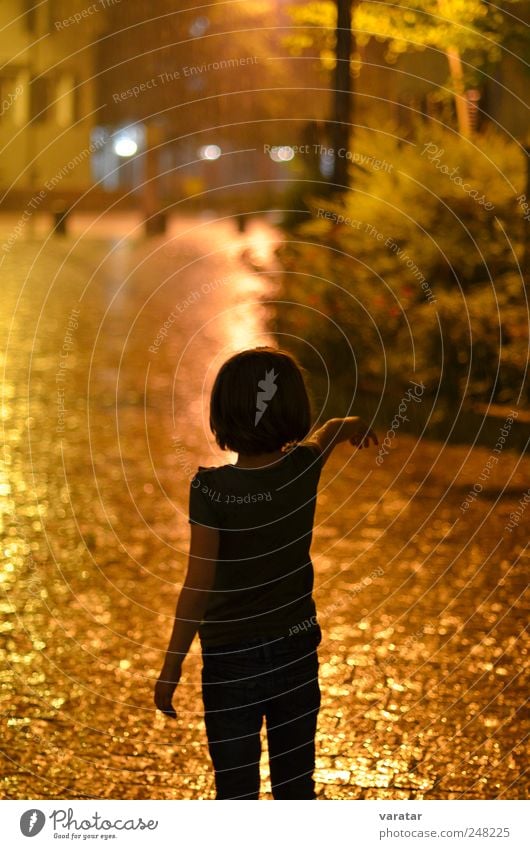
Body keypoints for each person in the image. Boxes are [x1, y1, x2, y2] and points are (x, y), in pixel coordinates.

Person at [154, 347, 378, 799]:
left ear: (223, 416)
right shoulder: (302, 468)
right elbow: (327, 434)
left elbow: (198, 584)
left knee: (235, 792)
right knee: (296, 789)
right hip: (296, 650)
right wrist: (348, 427)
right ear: (293, 410)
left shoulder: (212, 490)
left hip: (229, 661)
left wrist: (172, 664)